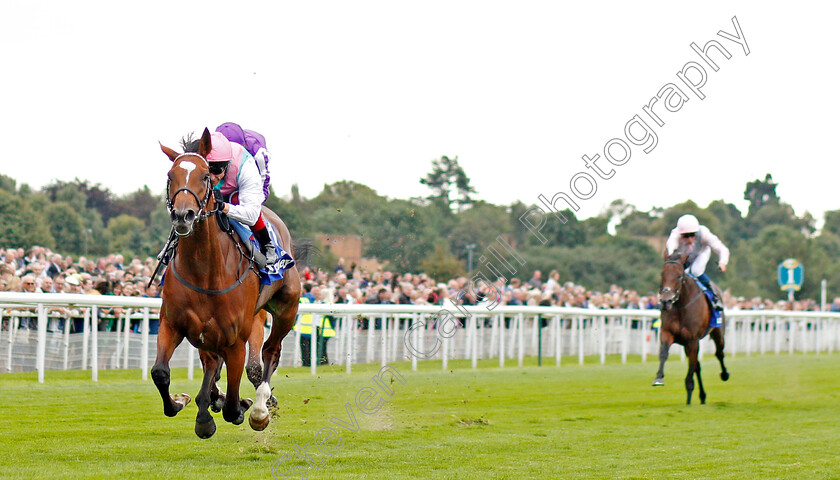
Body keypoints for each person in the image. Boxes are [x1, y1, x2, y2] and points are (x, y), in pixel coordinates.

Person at [206, 131, 279, 264]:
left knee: (237, 202)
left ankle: (267, 244)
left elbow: (251, 213)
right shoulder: (203, 153)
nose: (211, 176)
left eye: (217, 170)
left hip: (242, 187)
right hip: (222, 185)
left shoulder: (250, 161)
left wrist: (224, 206)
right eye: (208, 168)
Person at [666, 214, 729, 311]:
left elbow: (722, 249)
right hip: (685, 256)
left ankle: (714, 296)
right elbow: (671, 249)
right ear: (680, 234)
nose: (690, 239)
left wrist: (723, 262)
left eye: (692, 235)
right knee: (682, 274)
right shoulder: (675, 234)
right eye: (686, 236)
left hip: (701, 253)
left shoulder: (704, 233)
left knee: (695, 271)